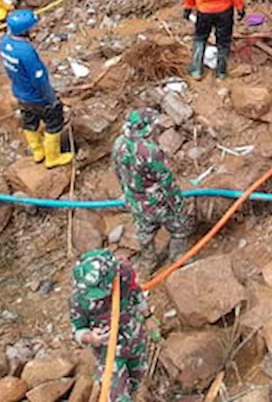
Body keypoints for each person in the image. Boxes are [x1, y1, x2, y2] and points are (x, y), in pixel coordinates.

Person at [112, 108, 192, 276]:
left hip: (135, 201)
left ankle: (148, 262)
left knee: (144, 231)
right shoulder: (149, 151)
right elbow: (167, 183)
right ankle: (178, 258)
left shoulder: (119, 143)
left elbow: (117, 171)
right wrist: (179, 207)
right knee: (180, 228)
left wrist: (127, 194)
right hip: (157, 203)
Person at [69, 249, 147, 402]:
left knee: (139, 377)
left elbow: (136, 292)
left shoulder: (123, 274)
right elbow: (78, 330)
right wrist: (90, 337)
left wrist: (148, 316)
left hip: (134, 338)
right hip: (109, 350)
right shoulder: (79, 298)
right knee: (118, 396)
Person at [0, 8, 74, 167]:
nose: (36, 28)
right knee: (54, 122)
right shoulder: (26, 51)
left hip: (20, 93)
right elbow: (38, 78)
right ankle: (52, 157)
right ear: (25, 31)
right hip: (36, 96)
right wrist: (50, 98)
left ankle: (38, 151)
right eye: (33, 27)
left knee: (29, 121)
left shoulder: (5, 43)